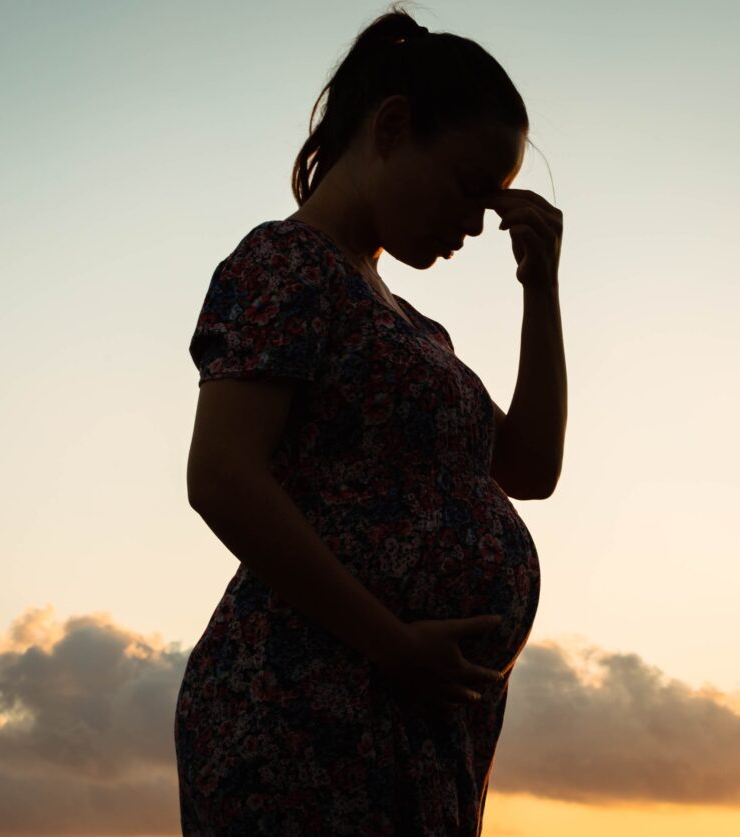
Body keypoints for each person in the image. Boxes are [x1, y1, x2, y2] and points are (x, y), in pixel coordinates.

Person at [175, 6, 566, 834]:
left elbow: (530, 469)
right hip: (306, 713)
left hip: (405, 721)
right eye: (468, 187)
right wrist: (389, 641)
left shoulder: (415, 328)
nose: (476, 223)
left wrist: (541, 288)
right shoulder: (286, 262)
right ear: (391, 128)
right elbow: (221, 477)